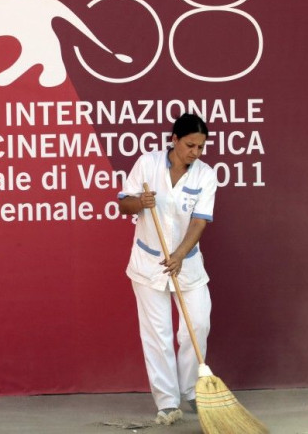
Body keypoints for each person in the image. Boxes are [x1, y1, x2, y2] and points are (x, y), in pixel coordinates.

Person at [117, 113, 217, 426]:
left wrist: (180, 253)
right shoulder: (147, 164)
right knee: (157, 335)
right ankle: (167, 403)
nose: (196, 152)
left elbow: (199, 221)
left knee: (196, 325)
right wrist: (140, 202)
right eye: (190, 145)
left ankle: (191, 389)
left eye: (201, 147)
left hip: (186, 264)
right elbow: (124, 204)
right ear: (174, 140)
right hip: (148, 264)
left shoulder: (205, 175)